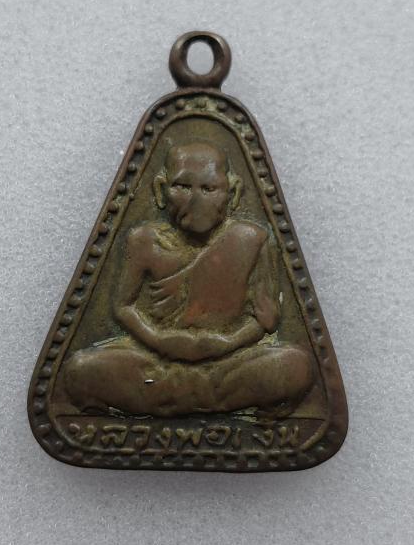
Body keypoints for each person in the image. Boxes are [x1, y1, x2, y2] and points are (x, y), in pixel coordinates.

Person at [63, 138, 313, 417]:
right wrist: (159, 340)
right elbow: (123, 307)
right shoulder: (143, 240)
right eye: (182, 187)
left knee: (296, 364)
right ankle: (210, 400)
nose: (195, 200)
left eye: (208, 188)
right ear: (161, 190)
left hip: (227, 363)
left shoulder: (251, 239)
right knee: (79, 368)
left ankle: (177, 401)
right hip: (156, 364)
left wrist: (226, 343)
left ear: (232, 193)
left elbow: (265, 320)